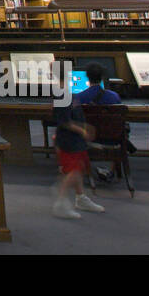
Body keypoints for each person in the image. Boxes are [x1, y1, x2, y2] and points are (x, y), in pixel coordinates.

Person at [51, 78, 105, 219]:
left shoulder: (70, 94)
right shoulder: (61, 95)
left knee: (79, 167)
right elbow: (64, 122)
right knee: (73, 170)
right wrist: (82, 131)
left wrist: (84, 128)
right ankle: (61, 202)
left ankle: (81, 198)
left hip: (76, 139)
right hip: (68, 140)